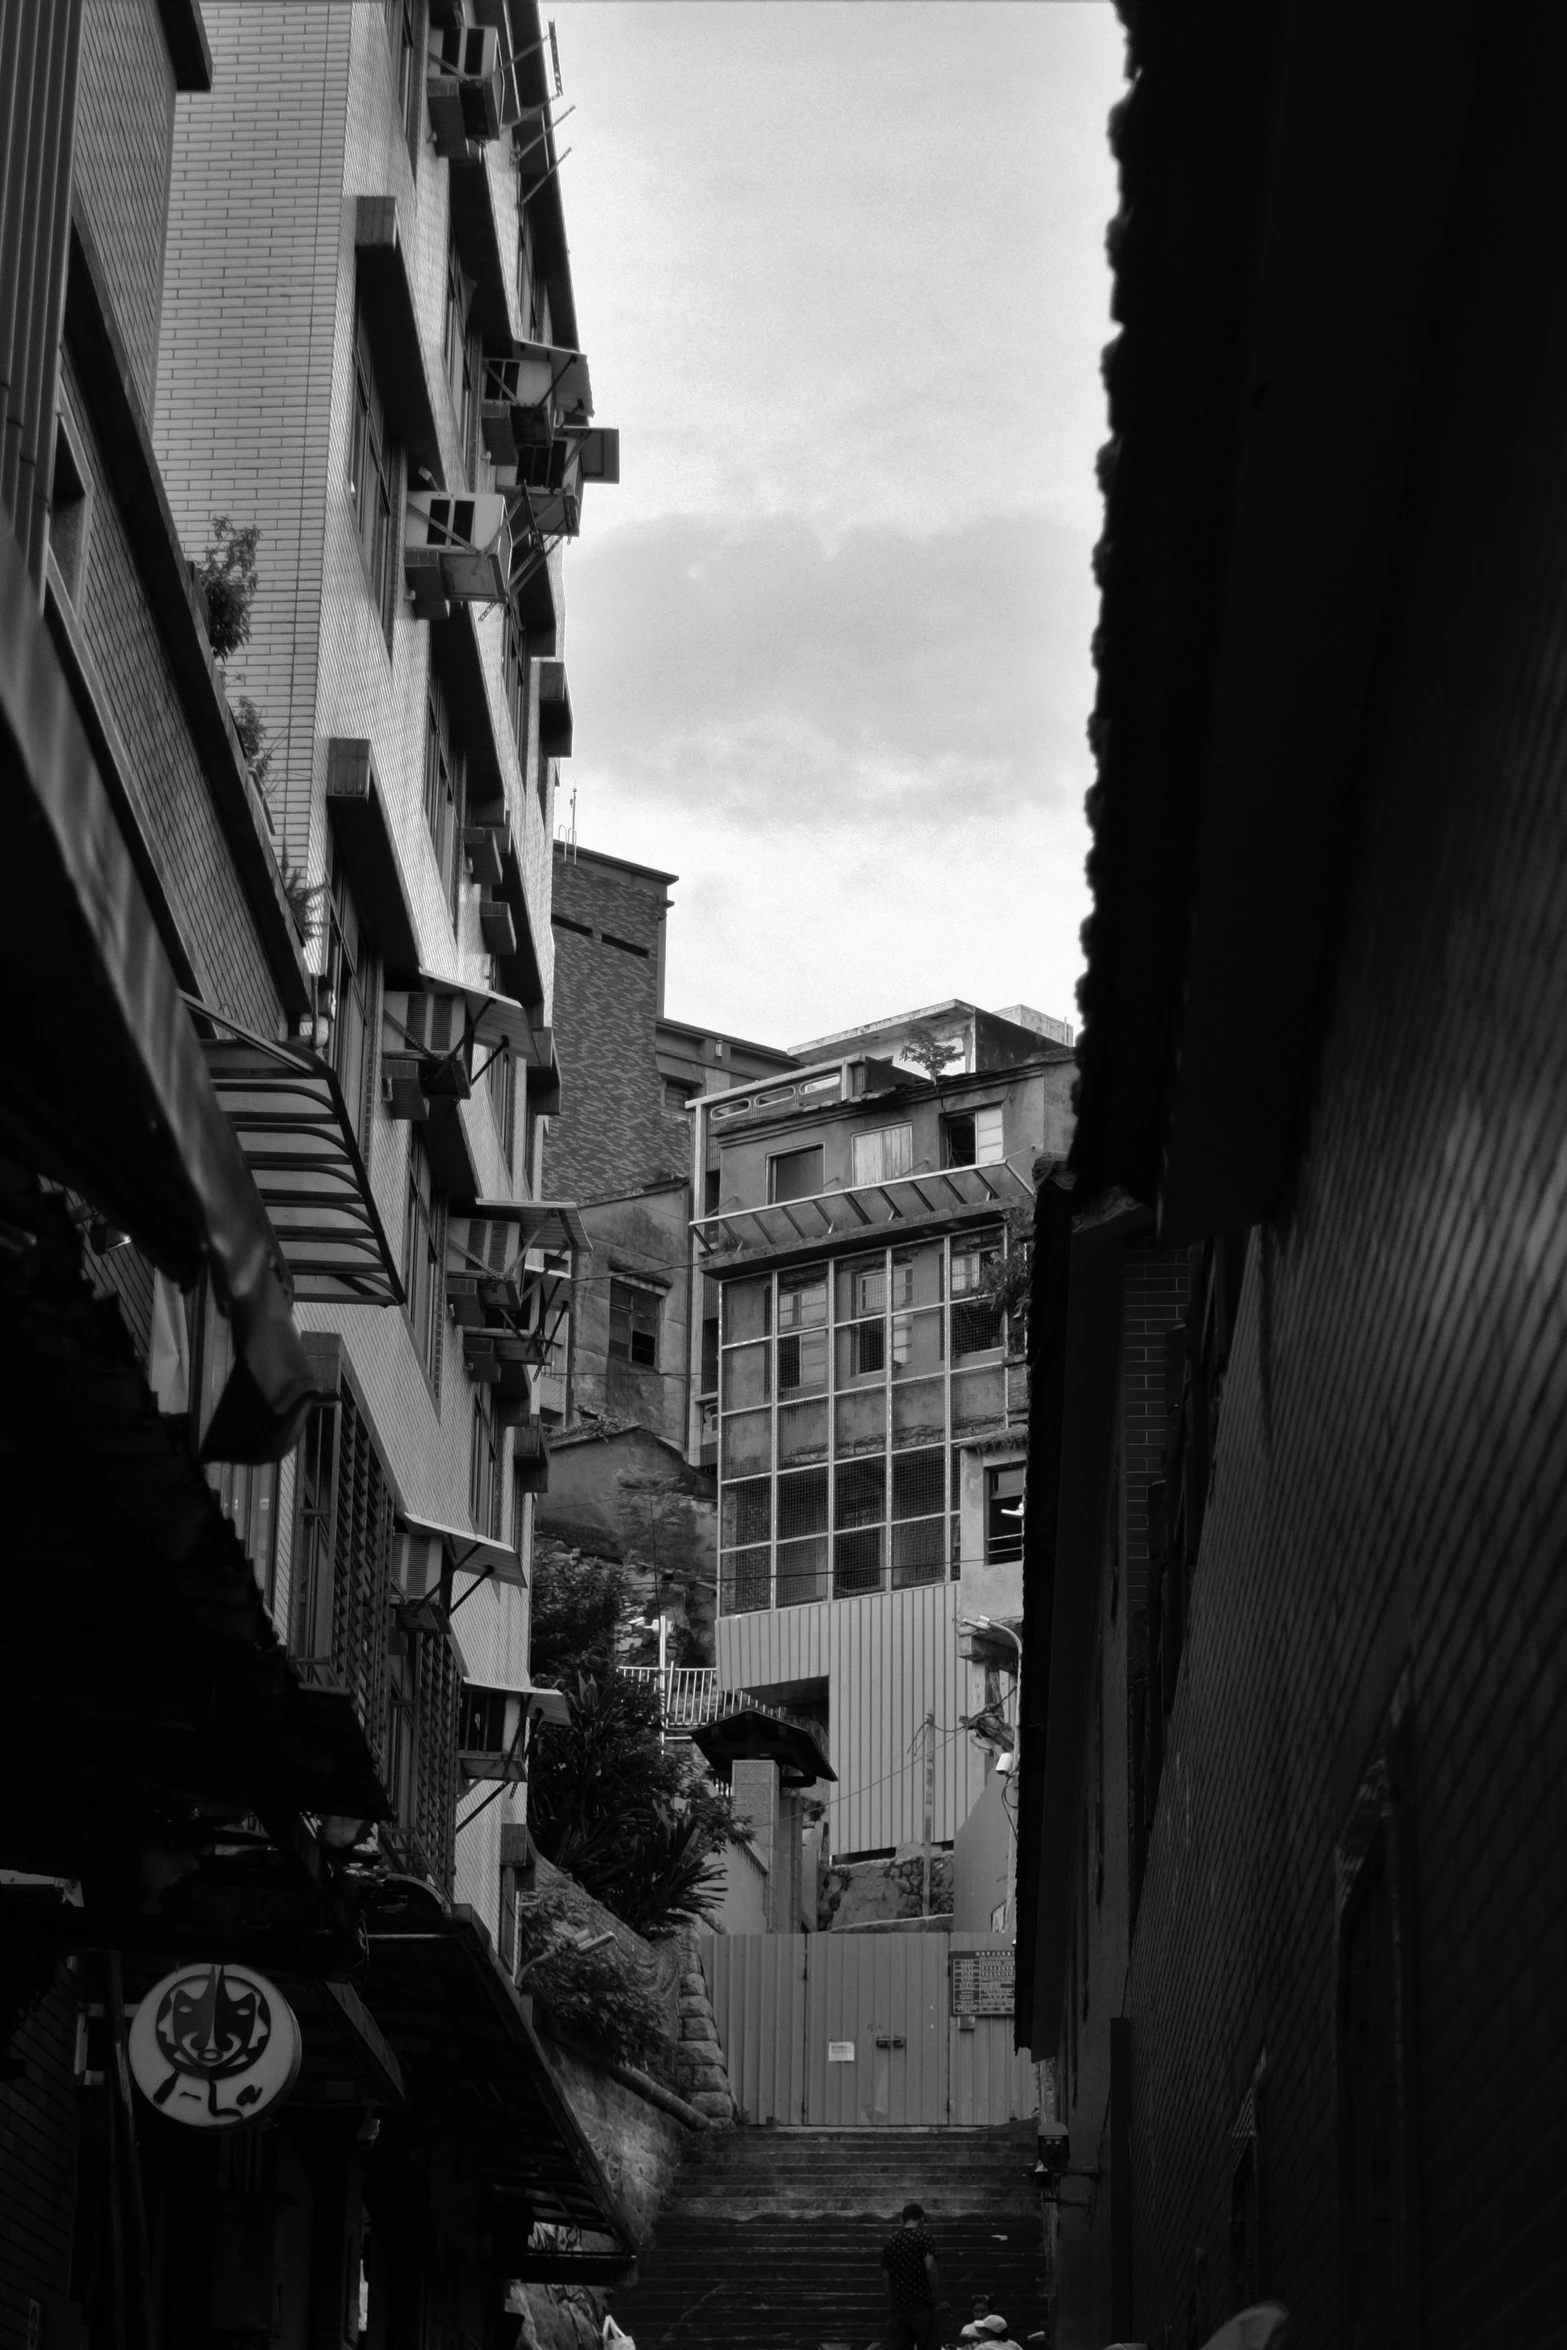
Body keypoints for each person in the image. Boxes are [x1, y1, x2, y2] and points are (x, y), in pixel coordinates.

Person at [880, 2201, 941, 2350]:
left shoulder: (891, 2241)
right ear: (921, 2219)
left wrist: (891, 2301)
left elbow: (885, 2274)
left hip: (899, 2304)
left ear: (903, 2219)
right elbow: (930, 2267)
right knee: (927, 2344)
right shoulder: (924, 2238)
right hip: (921, 2303)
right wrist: (936, 2295)